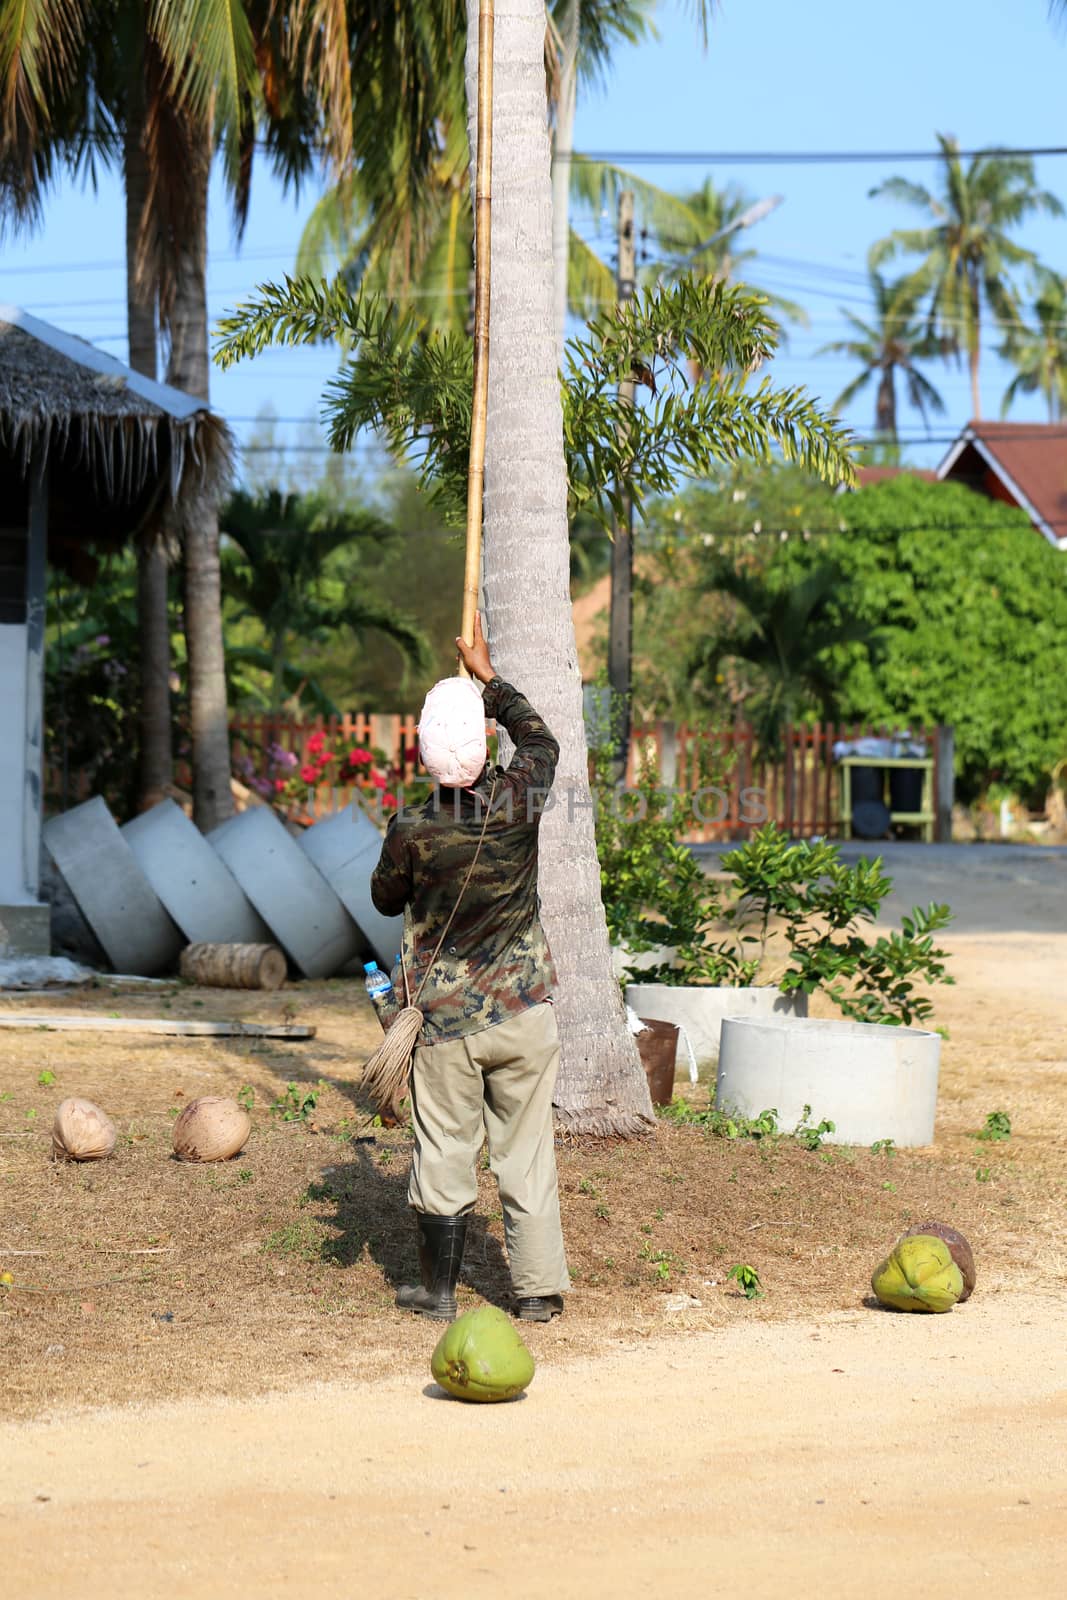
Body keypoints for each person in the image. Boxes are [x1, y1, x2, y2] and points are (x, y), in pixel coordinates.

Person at [369, 615, 569, 1324]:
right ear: (485, 748)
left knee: (445, 1150)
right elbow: (543, 739)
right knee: (526, 1153)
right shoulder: (517, 801)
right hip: (525, 1012)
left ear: (423, 754)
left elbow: (383, 896)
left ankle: (439, 1291)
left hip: (447, 1024)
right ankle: (539, 1291)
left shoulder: (412, 830)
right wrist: (488, 679)